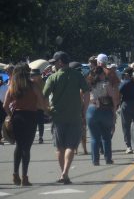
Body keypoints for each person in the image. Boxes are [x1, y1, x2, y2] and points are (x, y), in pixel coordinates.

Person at [43, 51, 90, 184]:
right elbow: (86, 92)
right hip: (74, 116)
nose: (54, 65)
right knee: (70, 146)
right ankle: (65, 173)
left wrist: (47, 110)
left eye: (54, 62)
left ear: (60, 62)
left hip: (58, 117)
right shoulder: (78, 75)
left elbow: (44, 96)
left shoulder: (52, 78)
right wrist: (84, 109)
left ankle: (63, 173)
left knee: (59, 147)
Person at [3, 64, 47, 186]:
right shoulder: (33, 85)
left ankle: (15, 174)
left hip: (17, 117)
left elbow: (5, 105)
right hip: (30, 117)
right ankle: (24, 177)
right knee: (26, 148)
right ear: (27, 73)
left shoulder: (13, 86)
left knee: (18, 146)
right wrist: (47, 112)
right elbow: (41, 100)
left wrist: (11, 114)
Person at [86, 66, 118, 166]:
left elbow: (83, 98)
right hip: (105, 111)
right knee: (106, 137)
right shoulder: (106, 85)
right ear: (101, 75)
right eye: (104, 74)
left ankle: (95, 160)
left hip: (91, 110)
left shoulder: (88, 85)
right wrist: (114, 112)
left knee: (94, 137)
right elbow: (114, 99)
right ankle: (108, 158)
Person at [119, 67, 134, 154]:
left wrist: (118, 104)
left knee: (126, 126)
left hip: (126, 104)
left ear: (128, 74)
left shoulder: (125, 83)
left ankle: (129, 146)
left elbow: (119, 93)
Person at [69, 62, 88, 155]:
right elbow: (84, 93)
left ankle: (76, 149)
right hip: (78, 108)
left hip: (70, 109)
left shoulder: (67, 79)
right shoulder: (80, 80)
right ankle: (82, 149)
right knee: (82, 130)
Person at [30, 69, 45, 144]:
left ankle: (40, 137)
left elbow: (44, 94)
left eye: (33, 75)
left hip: (40, 106)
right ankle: (32, 137)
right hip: (32, 106)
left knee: (40, 123)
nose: (32, 77)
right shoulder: (30, 83)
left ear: (39, 75)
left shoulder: (42, 83)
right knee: (33, 123)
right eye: (31, 75)